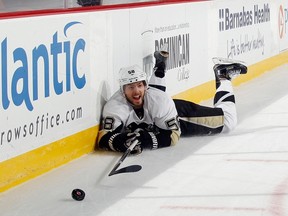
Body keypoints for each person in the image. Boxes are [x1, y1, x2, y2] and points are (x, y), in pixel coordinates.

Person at [97, 45, 247, 154]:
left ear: (145, 86)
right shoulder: (115, 105)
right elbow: (104, 138)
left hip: (179, 115)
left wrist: (145, 141)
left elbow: (173, 135)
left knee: (229, 121)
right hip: (155, 112)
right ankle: (160, 66)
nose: (136, 91)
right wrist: (120, 142)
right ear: (122, 91)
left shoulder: (159, 101)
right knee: (152, 100)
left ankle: (223, 74)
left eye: (139, 85)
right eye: (130, 87)